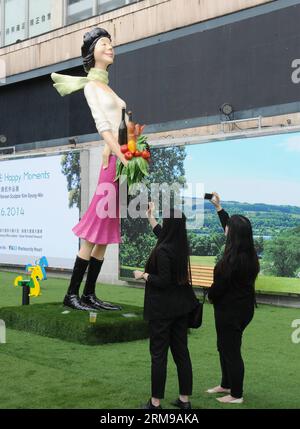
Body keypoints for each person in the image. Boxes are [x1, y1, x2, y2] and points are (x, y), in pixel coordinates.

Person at [51, 28, 129, 311]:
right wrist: (120, 151)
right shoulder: (92, 86)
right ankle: (71, 294)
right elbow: (102, 125)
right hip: (113, 161)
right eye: (104, 44)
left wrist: (132, 149)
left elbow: (123, 123)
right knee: (96, 227)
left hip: (122, 163)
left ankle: (89, 294)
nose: (110, 48)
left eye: (111, 44)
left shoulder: (107, 86)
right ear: (92, 52)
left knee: (106, 229)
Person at [134, 203, 199, 410]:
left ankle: (155, 403)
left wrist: (143, 275)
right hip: (181, 309)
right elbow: (161, 233)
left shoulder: (163, 250)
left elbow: (162, 281)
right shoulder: (179, 246)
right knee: (182, 353)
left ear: (169, 226)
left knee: (159, 355)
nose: (161, 223)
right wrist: (150, 217)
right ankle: (184, 400)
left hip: (162, 311)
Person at [206, 192, 260, 404]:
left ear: (233, 236)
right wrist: (219, 208)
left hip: (230, 311)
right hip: (242, 309)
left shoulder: (230, 262)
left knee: (230, 350)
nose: (226, 230)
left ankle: (236, 394)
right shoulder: (248, 255)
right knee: (225, 346)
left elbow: (218, 288)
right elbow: (228, 226)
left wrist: (210, 295)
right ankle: (226, 384)